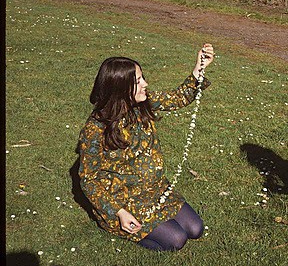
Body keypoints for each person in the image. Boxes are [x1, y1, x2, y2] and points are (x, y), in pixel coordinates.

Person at [78, 44, 215, 251]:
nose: (146, 84)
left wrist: (199, 68)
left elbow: (177, 97)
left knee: (195, 229)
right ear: (120, 88)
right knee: (177, 240)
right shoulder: (95, 130)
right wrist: (119, 212)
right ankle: (119, 228)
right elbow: (89, 179)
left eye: (142, 78)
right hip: (123, 202)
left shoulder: (142, 104)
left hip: (155, 191)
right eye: (138, 81)